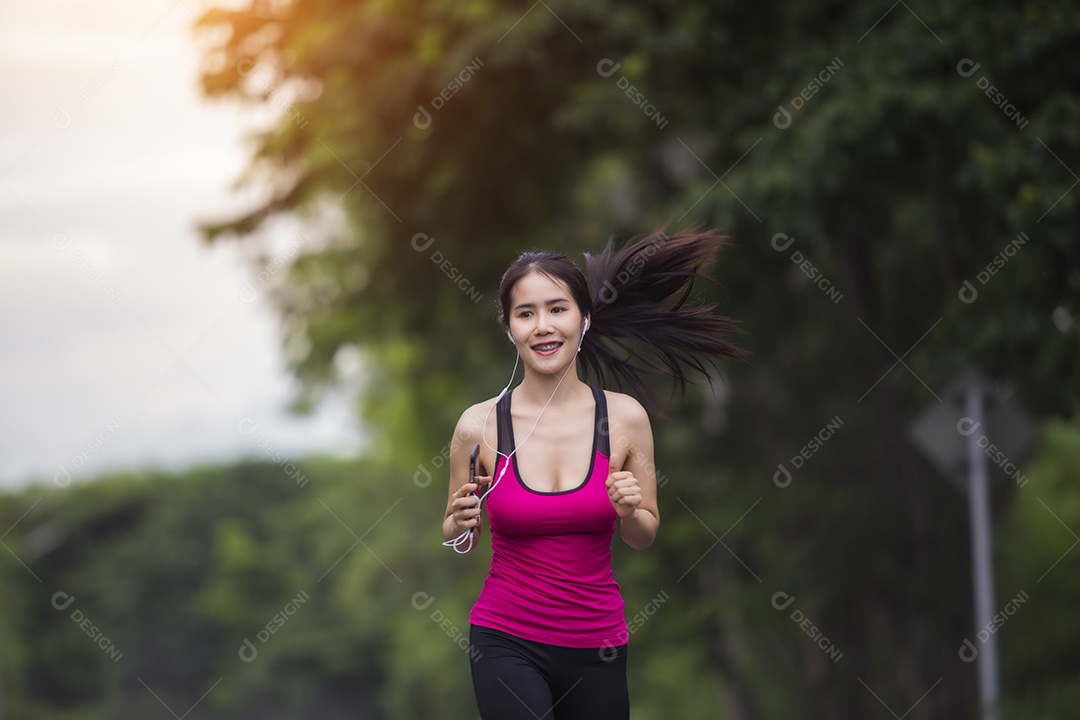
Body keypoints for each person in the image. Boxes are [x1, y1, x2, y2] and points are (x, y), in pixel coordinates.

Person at [441, 229, 743, 720]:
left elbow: (644, 534)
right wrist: (459, 520)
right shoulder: (478, 426)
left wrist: (629, 511)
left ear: (584, 319)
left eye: (557, 309)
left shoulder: (625, 419)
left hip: (597, 645)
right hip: (504, 638)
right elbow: (455, 534)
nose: (543, 326)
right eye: (526, 313)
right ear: (509, 328)